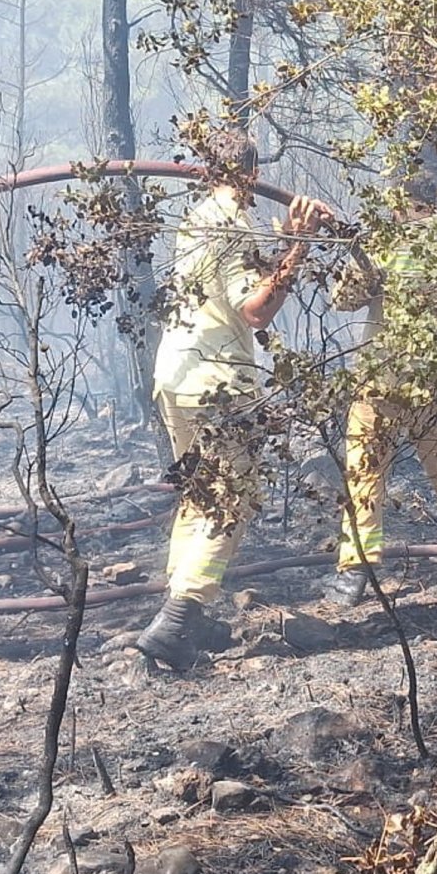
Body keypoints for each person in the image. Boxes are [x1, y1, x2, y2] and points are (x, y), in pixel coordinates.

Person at [127, 129, 331, 668]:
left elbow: (231, 288)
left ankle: (184, 617)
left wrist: (284, 240)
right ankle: (177, 619)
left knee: (202, 494)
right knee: (233, 496)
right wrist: (300, 246)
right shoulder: (234, 223)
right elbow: (255, 310)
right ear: (253, 174)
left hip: (176, 374)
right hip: (216, 383)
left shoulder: (199, 216)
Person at [322, 171, 437, 608]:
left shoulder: (384, 246)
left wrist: (357, 257)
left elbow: (342, 300)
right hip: (433, 383)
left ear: (403, 204)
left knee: (365, 473)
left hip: (381, 382)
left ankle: (355, 572)